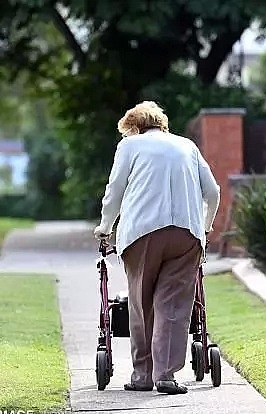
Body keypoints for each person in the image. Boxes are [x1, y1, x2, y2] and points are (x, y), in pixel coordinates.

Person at [93, 101, 220, 395]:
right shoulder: (187, 146)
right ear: (161, 123)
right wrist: (206, 225)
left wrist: (105, 227)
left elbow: (114, 192)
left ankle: (142, 375)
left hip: (142, 232)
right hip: (187, 233)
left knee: (141, 302)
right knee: (173, 305)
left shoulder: (130, 146)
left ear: (135, 127)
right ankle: (167, 375)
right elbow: (212, 191)